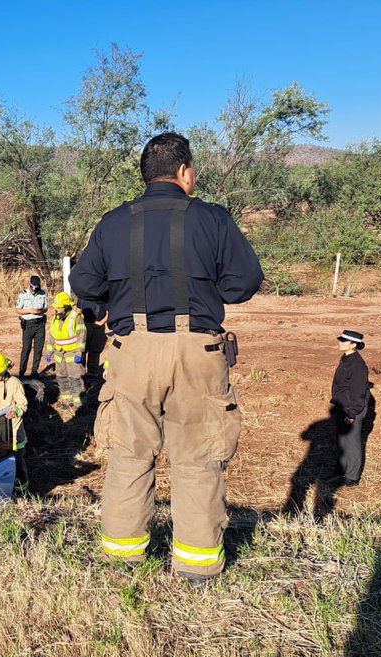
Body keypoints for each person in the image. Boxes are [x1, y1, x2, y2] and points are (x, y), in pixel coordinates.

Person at [69, 132, 264, 586]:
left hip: (131, 351)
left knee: (128, 453)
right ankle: (196, 568)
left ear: (146, 176)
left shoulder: (114, 222)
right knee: (197, 457)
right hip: (198, 352)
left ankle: (122, 559)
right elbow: (243, 283)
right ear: (184, 172)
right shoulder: (213, 219)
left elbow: (85, 283)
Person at [0, 351, 30, 491]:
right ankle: (4, 486)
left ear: (5, 370)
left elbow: (23, 404)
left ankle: (22, 489)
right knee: (1, 462)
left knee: (18, 462)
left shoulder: (15, 383)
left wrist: (15, 411)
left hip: (15, 433)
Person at [331, 329, 371, 487]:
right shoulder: (346, 358)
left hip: (352, 409)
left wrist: (352, 413)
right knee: (342, 441)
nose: (340, 342)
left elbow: (357, 391)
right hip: (343, 407)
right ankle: (341, 471)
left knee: (352, 443)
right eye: (340, 339)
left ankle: (352, 478)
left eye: (344, 341)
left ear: (354, 345)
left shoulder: (358, 365)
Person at [47, 291, 87, 409]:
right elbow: (51, 335)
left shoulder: (76, 317)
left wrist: (79, 351)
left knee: (76, 378)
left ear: (65, 306)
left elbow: (81, 334)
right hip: (59, 353)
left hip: (72, 352)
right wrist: (49, 351)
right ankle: (66, 400)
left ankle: (79, 402)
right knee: (61, 377)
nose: (57, 309)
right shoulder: (55, 318)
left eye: (59, 307)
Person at [14, 276, 48, 377]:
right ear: (30, 285)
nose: (35, 290)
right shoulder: (23, 294)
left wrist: (41, 310)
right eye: (33, 288)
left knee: (38, 349)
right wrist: (30, 310)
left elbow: (46, 308)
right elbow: (18, 310)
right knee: (26, 349)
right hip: (28, 325)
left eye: (36, 288)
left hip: (40, 324)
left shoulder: (42, 293)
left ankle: (34, 371)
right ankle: (22, 371)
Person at [78, 298, 109, 380]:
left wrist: (101, 322)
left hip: (99, 327)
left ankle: (92, 372)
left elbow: (109, 312)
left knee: (95, 350)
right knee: (82, 349)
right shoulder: (83, 296)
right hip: (85, 325)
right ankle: (80, 372)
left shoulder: (104, 297)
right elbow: (78, 311)